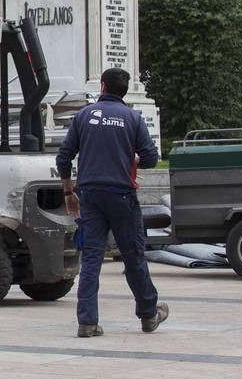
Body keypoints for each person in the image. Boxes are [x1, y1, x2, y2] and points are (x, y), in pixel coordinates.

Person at [56, 67, 168, 337]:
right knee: (133, 257)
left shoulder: (83, 116)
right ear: (123, 91)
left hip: (90, 195)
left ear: (102, 86)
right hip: (122, 196)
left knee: (92, 258)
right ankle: (148, 314)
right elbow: (151, 158)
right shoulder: (132, 117)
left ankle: (87, 321)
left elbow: (63, 158)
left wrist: (69, 193)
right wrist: (133, 159)